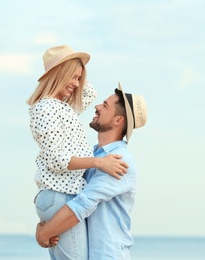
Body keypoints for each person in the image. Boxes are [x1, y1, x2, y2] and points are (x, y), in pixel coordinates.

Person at [27, 45, 129, 259]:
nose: (76, 84)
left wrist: (75, 62)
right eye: (72, 77)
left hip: (65, 195)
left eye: (78, 78)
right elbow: (56, 160)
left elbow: (88, 91)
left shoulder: (63, 107)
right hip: (60, 195)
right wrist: (99, 163)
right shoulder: (46, 109)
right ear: (59, 74)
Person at [36, 83, 147, 259]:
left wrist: (44, 232)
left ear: (118, 121)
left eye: (105, 105)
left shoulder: (119, 160)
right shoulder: (95, 156)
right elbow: (70, 189)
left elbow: (83, 203)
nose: (96, 107)